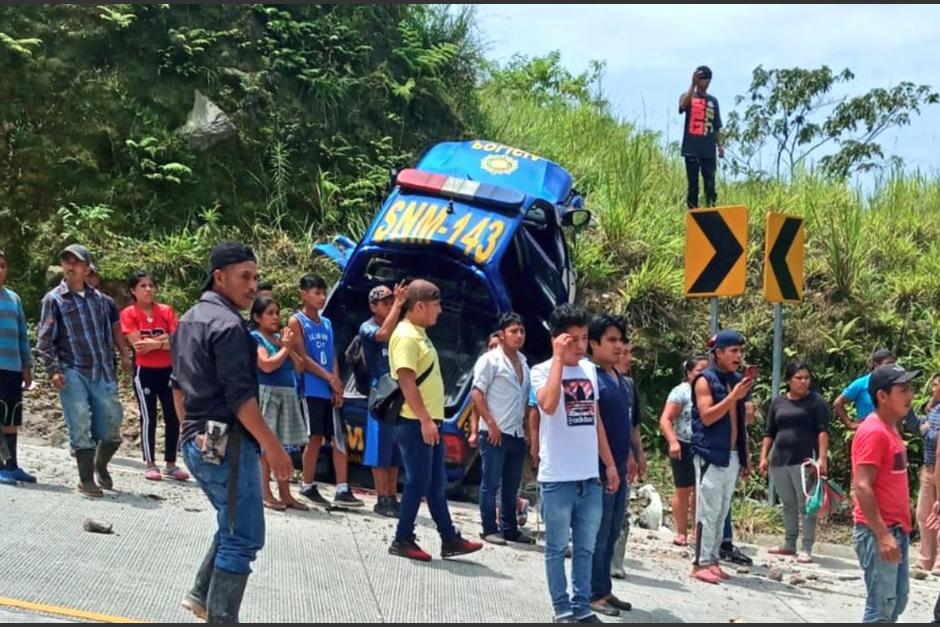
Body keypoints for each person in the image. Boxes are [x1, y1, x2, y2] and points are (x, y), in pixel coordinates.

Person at [173, 241, 294, 623]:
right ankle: (221, 618)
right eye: (245, 277)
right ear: (219, 277)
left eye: (256, 277)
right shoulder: (228, 327)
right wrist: (274, 448)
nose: (252, 286)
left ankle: (200, 594)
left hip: (201, 438)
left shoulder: (190, 318)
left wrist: (188, 432)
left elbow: (177, 386)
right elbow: (242, 399)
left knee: (232, 523)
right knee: (243, 536)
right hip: (230, 442)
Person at [532, 303, 620, 624]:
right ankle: (562, 609)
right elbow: (550, 405)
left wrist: (609, 465)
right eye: (574, 339)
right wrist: (557, 359)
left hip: (588, 477)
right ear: (558, 339)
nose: (581, 346)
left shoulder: (589, 371)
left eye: (584, 338)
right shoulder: (541, 370)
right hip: (557, 478)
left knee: (586, 549)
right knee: (557, 548)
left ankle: (582, 607)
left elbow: (595, 420)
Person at [387, 279, 483, 562]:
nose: (440, 311)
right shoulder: (406, 335)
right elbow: (407, 383)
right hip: (415, 423)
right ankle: (402, 538)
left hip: (430, 423)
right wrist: (426, 421)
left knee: (434, 484)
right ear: (419, 306)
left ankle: (449, 538)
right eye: (436, 304)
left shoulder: (419, 333)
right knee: (417, 483)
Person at [37, 244, 131, 497]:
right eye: (66, 261)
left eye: (76, 262)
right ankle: (86, 479)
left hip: (101, 369)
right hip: (72, 369)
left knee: (112, 425)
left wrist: (123, 356)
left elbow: (111, 332)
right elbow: (45, 339)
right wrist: (53, 370)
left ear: (87, 268)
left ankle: (100, 465)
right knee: (79, 420)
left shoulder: (102, 301)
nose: (70, 266)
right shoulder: (54, 299)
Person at [288, 274, 363, 508]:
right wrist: (328, 378)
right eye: (316, 293)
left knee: (338, 438)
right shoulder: (296, 321)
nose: (321, 298)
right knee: (314, 437)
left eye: (323, 293)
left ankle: (342, 488)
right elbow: (303, 357)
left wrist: (337, 383)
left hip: (329, 386)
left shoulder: (327, 323)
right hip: (310, 387)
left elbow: (331, 355)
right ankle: (308, 484)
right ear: (303, 294)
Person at [851, 363, 918, 623]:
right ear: (882, 396)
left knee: (897, 601)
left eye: (909, 388)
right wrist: (882, 534)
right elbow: (862, 485)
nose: (910, 395)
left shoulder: (891, 427)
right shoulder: (873, 431)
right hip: (877, 531)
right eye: (903, 390)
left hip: (896, 530)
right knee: (881, 608)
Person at [689, 330, 753, 584]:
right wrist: (733, 396)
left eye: (740, 351)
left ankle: (713, 558)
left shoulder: (736, 380)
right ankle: (700, 562)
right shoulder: (705, 380)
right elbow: (707, 416)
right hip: (711, 454)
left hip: (733, 454)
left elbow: (741, 423)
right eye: (733, 351)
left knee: (722, 510)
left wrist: (745, 457)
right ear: (718, 353)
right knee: (707, 510)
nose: (738, 356)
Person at [120, 270, 189, 482]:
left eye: (151, 285)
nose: (148, 289)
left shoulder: (166, 311)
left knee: (172, 416)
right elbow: (139, 346)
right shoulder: (129, 314)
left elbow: (178, 341)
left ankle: (171, 463)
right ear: (133, 290)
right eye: (143, 286)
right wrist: (162, 342)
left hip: (168, 370)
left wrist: (156, 344)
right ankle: (150, 463)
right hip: (145, 371)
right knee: (148, 417)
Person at [758, 361, 830, 563]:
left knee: (806, 505)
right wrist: (764, 456)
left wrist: (822, 457)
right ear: (789, 380)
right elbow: (769, 432)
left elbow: (822, 431)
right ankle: (789, 543)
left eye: (807, 378)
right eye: (798, 378)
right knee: (788, 504)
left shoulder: (815, 402)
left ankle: (806, 547)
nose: (803, 382)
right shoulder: (778, 402)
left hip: (804, 461)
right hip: (779, 460)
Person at [588, 314, 634, 617]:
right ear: (594, 344)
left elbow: (627, 423)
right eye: (611, 341)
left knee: (613, 529)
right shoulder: (591, 376)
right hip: (601, 469)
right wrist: (609, 466)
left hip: (620, 466)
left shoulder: (620, 379)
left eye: (621, 340)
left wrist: (631, 456)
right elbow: (595, 424)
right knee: (599, 532)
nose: (619, 346)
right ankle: (593, 592)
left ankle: (604, 589)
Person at [472, 313, 532, 546]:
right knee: (491, 482)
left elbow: (525, 399)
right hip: (494, 431)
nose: (518, 335)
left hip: (515, 432)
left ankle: (510, 528)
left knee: (511, 483)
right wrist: (490, 424)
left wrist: (526, 429)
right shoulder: (490, 360)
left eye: (521, 331)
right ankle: (489, 527)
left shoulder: (524, 363)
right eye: (513, 331)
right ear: (501, 334)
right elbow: (477, 393)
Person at [249, 296, 309, 512]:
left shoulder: (279, 339)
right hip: (268, 394)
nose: (275, 317)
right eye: (270, 313)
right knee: (266, 449)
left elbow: (300, 366)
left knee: (283, 446)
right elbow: (266, 365)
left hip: (287, 393)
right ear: (257, 317)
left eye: (277, 313)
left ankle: (285, 494)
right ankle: (266, 493)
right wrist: (285, 349)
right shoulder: (255, 338)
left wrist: (289, 347)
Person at [360, 283, 406, 517]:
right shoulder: (367, 328)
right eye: (385, 304)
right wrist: (398, 305)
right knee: (380, 449)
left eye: (392, 302)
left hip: (398, 392)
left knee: (395, 450)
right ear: (373, 306)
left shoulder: (399, 327)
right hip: (380, 393)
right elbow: (383, 334)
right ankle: (381, 497)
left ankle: (392, 496)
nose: (390, 307)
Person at [660, 355, 710, 547]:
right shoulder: (680, 392)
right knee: (683, 490)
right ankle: (681, 531)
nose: (704, 375)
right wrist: (673, 442)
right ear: (689, 373)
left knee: (701, 490)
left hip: (704, 446)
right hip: (683, 444)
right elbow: (666, 419)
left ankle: (697, 533)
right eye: (699, 371)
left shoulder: (711, 391)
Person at [610, 339, 646, 579]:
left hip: (625, 459)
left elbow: (634, 426)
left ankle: (615, 562)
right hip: (603, 459)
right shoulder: (598, 381)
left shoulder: (629, 385)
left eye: (629, 353)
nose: (628, 358)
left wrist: (639, 454)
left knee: (621, 513)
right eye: (622, 353)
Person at [0, 250, 34, 485]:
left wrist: (27, 365)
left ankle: (12, 465)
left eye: (2, 265)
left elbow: (23, 334)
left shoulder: (14, 299)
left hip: (12, 368)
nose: (0, 270)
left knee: (11, 418)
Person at [679, 65, 723, 209]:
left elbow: (716, 125)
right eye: (701, 78)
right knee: (693, 186)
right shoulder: (688, 96)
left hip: (708, 151)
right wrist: (692, 84)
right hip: (691, 149)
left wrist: (720, 146)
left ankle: (711, 212)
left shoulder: (713, 101)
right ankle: (692, 215)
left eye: (706, 79)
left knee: (710, 185)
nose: (704, 82)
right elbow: (681, 107)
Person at [913, 374, 940, 575]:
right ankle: (925, 560)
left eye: (936, 385)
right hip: (929, 465)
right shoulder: (933, 409)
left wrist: (926, 431)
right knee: (924, 513)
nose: (932, 389)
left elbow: (934, 437)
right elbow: (926, 431)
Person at [834, 349, 896, 430]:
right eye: (887, 364)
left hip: (890, 431)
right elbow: (838, 403)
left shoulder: (894, 383)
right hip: (868, 432)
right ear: (876, 365)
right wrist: (849, 423)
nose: (890, 368)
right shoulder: (861, 384)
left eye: (893, 364)